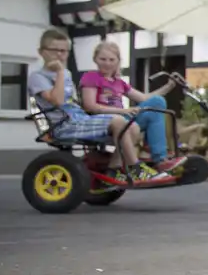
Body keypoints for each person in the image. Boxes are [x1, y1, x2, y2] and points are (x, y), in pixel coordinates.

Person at [26, 29, 168, 183]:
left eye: (64, 51)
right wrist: (60, 72)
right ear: (41, 52)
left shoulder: (66, 73)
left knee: (132, 127)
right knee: (119, 121)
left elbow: (74, 103)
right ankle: (136, 169)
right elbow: (58, 101)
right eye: (54, 50)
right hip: (63, 125)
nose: (59, 55)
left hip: (79, 119)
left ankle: (113, 170)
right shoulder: (38, 77)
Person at [79, 41, 185, 172]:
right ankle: (153, 156)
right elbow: (90, 106)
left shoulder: (119, 82)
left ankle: (160, 159)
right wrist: (123, 111)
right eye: (103, 59)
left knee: (158, 102)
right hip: (104, 121)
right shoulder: (91, 77)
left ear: (118, 61)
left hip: (123, 118)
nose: (107, 63)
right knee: (150, 108)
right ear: (95, 59)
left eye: (111, 60)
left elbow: (144, 98)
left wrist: (169, 86)